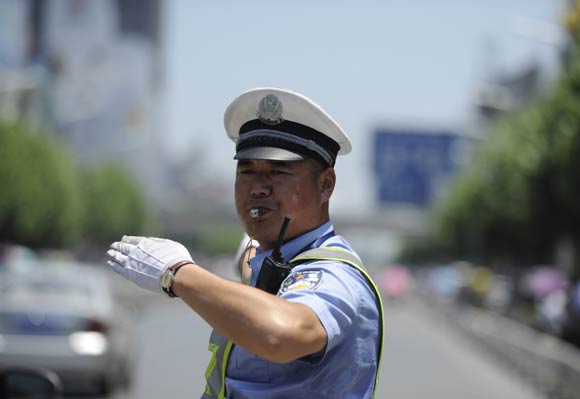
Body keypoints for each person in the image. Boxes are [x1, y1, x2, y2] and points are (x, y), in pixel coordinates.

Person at [106, 87, 384, 399]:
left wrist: (178, 273)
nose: (257, 188)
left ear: (325, 184)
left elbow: (279, 334)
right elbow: (265, 278)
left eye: (278, 172)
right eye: (247, 171)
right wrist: (256, 256)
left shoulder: (333, 275)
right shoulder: (281, 257)